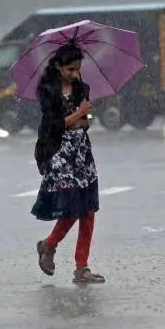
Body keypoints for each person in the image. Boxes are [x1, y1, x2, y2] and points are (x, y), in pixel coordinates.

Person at [31, 43, 105, 284]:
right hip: (57, 152)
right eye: (70, 69)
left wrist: (81, 119)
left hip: (81, 152)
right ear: (58, 67)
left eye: (77, 69)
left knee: (88, 209)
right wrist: (76, 116)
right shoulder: (47, 91)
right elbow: (53, 125)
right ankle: (49, 245)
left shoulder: (82, 89)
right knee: (73, 206)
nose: (74, 74)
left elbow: (86, 122)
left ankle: (81, 267)